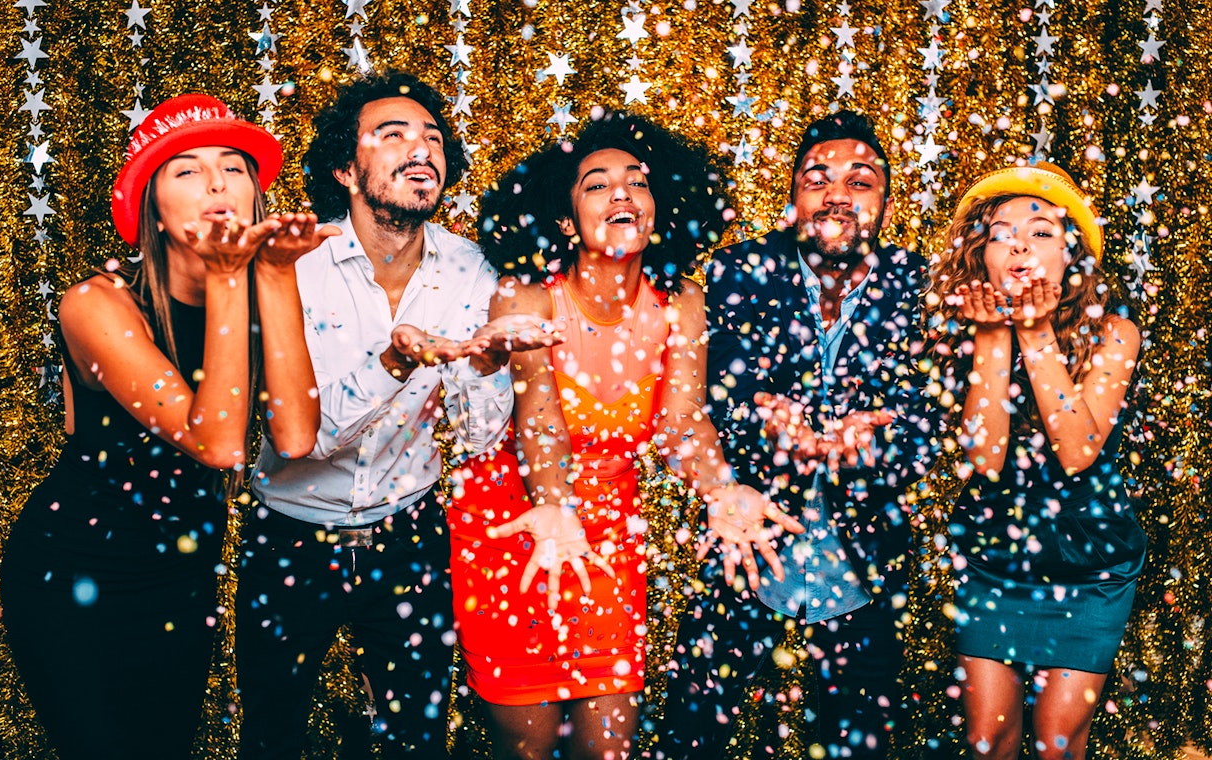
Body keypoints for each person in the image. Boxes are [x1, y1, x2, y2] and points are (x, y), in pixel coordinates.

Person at [449, 112, 802, 760]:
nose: (620, 193)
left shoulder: (680, 302)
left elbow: (679, 423)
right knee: (524, 747)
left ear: (657, 208)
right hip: (515, 526)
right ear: (564, 220)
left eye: (636, 182)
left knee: (608, 747)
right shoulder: (525, 299)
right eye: (596, 184)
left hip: (611, 536)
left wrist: (722, 490)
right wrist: (555, 504)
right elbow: (540, 422)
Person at [235, 71, 555, 758]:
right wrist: (396, 362)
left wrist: (489, 366)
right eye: (393, 135)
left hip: (408, 541)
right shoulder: (292, 266)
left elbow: (473, 438)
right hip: (291, 540)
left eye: (433, 138)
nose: (421, 150)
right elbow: (299, 439)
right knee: (272, 736)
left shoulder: (474, 269)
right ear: (345, 168)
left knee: (418, 740)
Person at [0, 94, 327, 759]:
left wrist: (279, 273)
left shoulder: (263, 284)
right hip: (73, 573)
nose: (215, 183)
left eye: (234, 167)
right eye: (186, 170)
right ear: (151, 203)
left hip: (180, 575)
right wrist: (232, 275)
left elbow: (295, 436)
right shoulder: (97, 304)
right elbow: (219, 444)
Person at [658, 109, 938, 759]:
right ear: (792, 202)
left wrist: (878, 439)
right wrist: (762, 421)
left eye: (859, 179)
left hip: (863, 557)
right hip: (747, 541)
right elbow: (699, 400)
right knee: (691, 736)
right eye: (818, 177)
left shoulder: (921, 287)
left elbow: (934, 415)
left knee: (857, 743)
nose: (837, 192)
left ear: (887, 207)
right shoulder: (736, 275)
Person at [925, 162, 1146, 760]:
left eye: (1042, 230)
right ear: (980, 255)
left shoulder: (1115, 332)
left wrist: (1036, 330)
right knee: (986, 738)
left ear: (1073, 256)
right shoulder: (962, 328)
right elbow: (984, 458)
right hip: (995, 554)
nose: (1020, 241)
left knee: (1056, 744)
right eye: (1000, 232)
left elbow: (1076, 452)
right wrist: (994, 336)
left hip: (1090, 559)